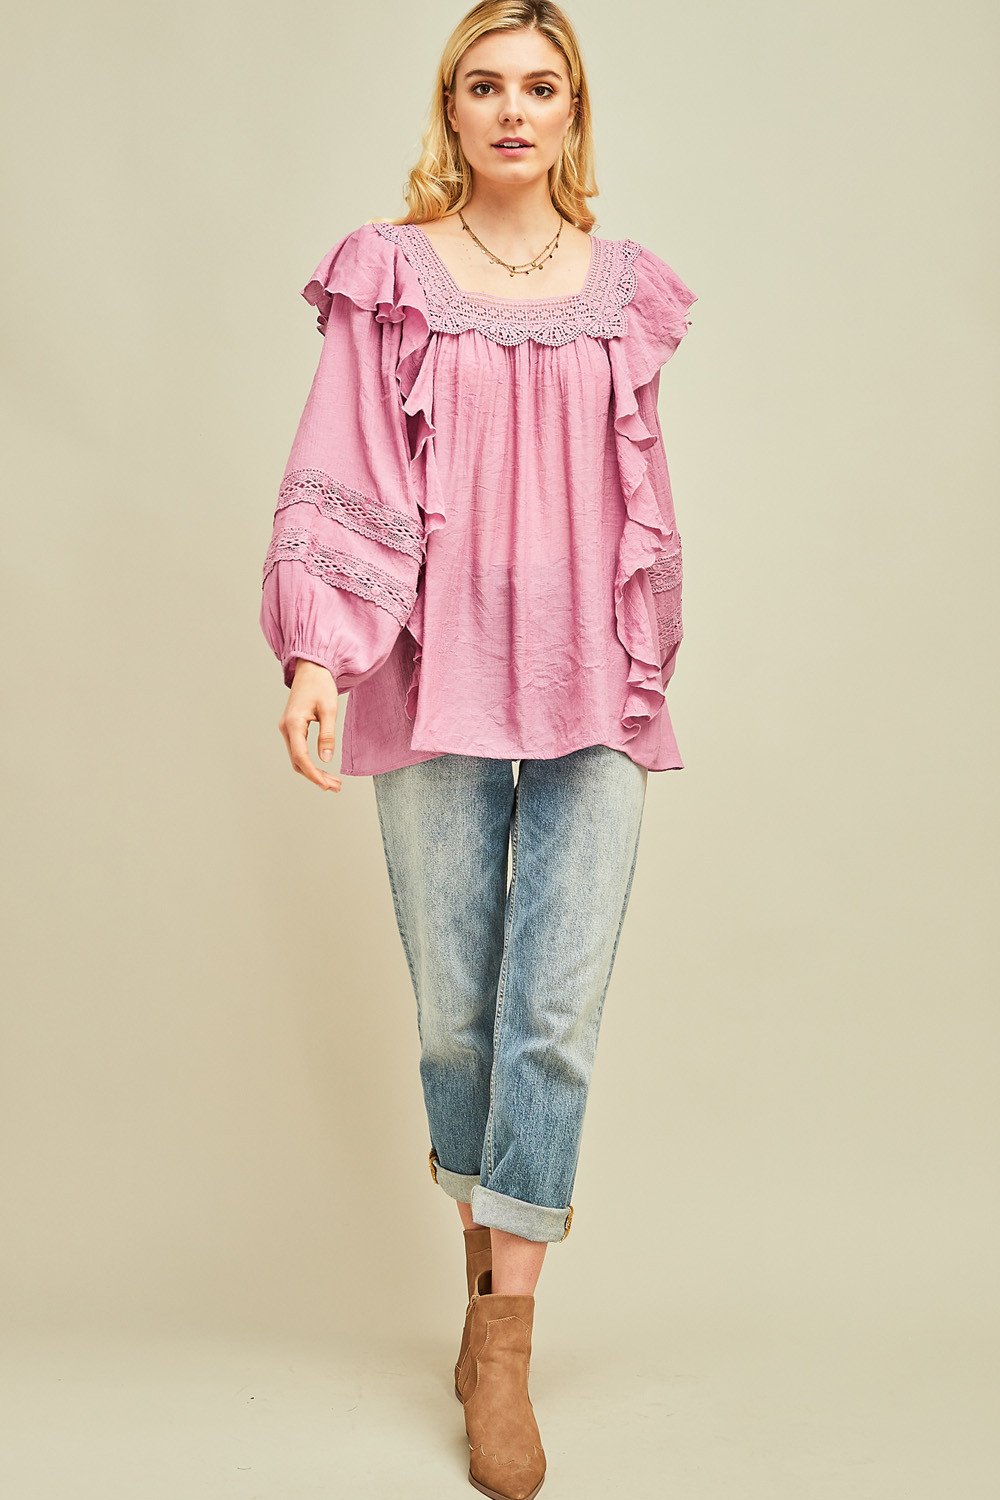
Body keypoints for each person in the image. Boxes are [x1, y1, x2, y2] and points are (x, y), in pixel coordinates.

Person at [258, 3, 697, 1495]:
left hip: (593, 683)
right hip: (430, 670)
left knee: (550, 1017)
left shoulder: (627, 291)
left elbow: (638, 495)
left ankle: (503, 1348)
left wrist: (649, 647)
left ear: (575, 113)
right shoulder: (388, 275)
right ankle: (480, 1291)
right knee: (459, 1018)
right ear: (450, 108)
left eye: (541, 87)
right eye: (485, 85)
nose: (514, 110)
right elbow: (341, 463)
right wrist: (316, 655)